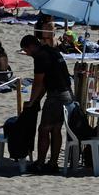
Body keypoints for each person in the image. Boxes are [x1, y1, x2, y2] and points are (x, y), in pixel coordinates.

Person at [20, 34, 72, 174]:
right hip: (67, 94)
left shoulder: (40, 56)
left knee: (44, 129)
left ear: (31, 46)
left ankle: (41, 163)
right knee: (56, 129)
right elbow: (45, 83)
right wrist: (37, 99)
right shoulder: (52, 51)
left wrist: (32, 101)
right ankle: (53, 163)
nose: (28, 54)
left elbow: (38, 82)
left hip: (57, 95)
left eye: (27, 50)